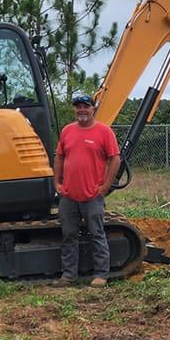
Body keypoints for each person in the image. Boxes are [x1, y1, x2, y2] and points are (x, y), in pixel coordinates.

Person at [53, 90, 121, 287]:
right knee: (68, 236)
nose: (82, 110)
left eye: (86, 106)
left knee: (97, 234)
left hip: (92, 195)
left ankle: (101, 274)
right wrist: (57, 183)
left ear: (93, 109)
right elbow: (59, 156)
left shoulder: (104, 132)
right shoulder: (67, 131)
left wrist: (105, 186)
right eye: (78, 107)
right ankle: (68, 275)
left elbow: (114, 158)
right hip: (69, 196)